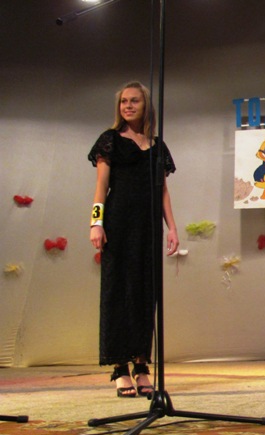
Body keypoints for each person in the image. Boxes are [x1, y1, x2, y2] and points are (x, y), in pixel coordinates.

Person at [88, 81, 179, 397]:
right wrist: (96, 223)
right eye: (124, 101)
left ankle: (141, 365)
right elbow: (101, 186)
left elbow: (163, 190)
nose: (128, 106)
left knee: (144, 293)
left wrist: (172, 227)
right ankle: (119, 368)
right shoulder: (110, 140)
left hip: (148, 226)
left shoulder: (157, 146)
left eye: (134, 101)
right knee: (118, 292)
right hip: (118, 223)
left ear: (145, 106)